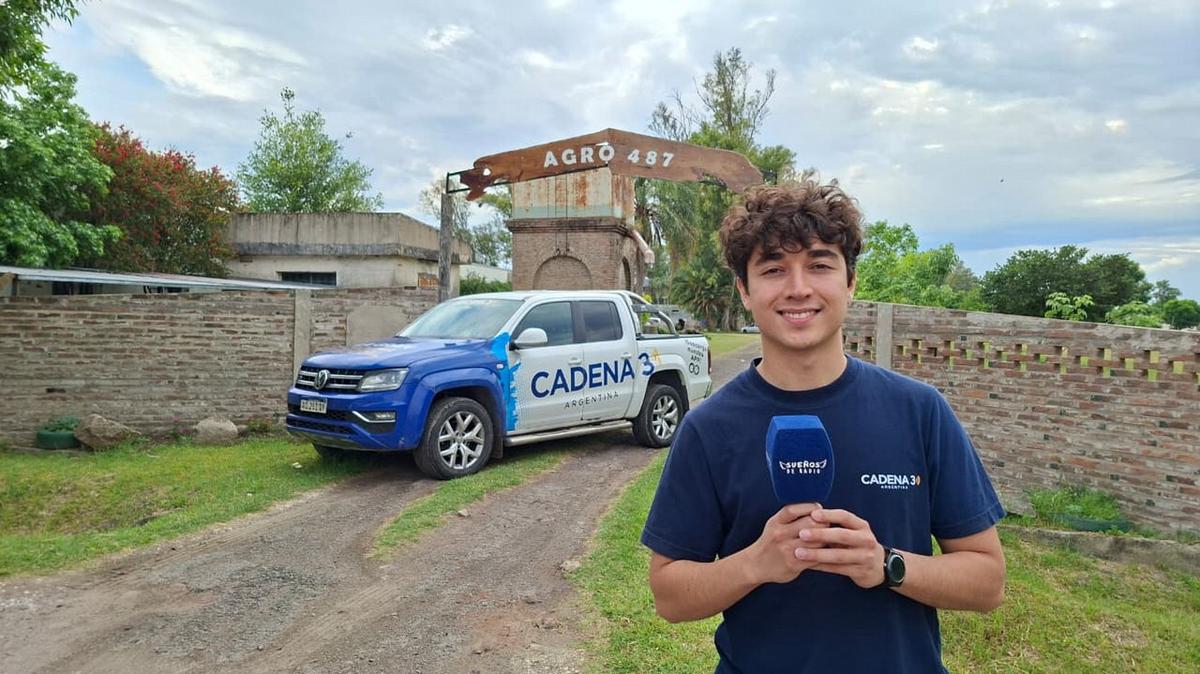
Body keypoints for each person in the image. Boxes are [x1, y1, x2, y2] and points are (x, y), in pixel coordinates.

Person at [641, 175, 1006, 673]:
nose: (798, 289)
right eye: (773, 269)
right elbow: (669, 595)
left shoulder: (919, 411)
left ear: (850, 282)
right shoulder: (709, 428)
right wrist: (755, 563)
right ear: (744, 291)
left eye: (819, 265)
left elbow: (987, 581)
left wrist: (885, 565)